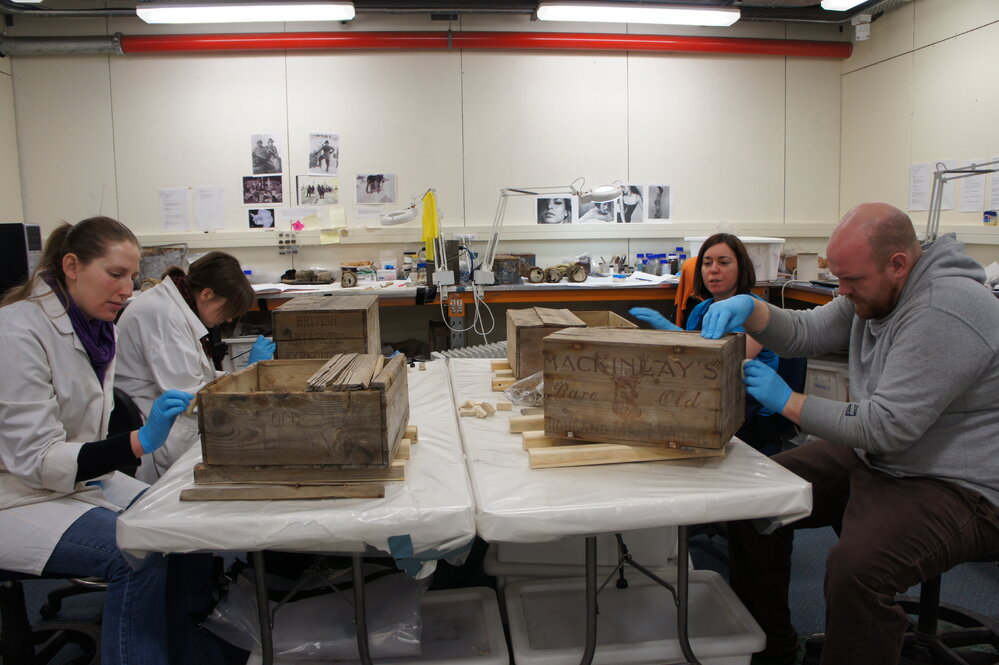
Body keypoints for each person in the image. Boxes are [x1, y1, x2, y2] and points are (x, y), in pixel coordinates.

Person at [700, 203, 999, 665]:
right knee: (756, 501)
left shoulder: (945, 309)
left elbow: (886, 426)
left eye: (851, 281)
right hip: (881, 455)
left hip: (957, 483)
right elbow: (804, 332)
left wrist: (789, 402)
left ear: (897, 264)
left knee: (857, 569)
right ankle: (772, 649)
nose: (841, 291)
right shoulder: (881, 289)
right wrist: (753, 309)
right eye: (838, 278)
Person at [0, 216, 225, 665]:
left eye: (132, 277)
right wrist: (137, 442)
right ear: (71, 266)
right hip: (16, 496)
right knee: (134, 552)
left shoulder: (96, 328)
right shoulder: (16, 331)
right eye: (115, 274)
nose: (127, 290)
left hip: (73, 481)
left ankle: (188, 650)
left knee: (185, 526)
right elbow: (36, 459)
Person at [116, 251, 268, 483]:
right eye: (228, 310)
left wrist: (240, 377)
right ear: (207, 294)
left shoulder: (177, 307)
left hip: (168, 415)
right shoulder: (164, 314)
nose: (229, 320)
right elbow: (187, 393)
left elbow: (198, 374)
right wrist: (241, 390)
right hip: (155, 426)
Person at [628, 233, 782, 454]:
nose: (713, 270)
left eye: (724, 262)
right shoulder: (700, 309)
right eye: (707, 263)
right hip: (708, 406)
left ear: (741, 268)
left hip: (748, 419)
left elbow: (725, 365)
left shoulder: (755, 313)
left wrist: (674, 334)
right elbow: (691, 358)